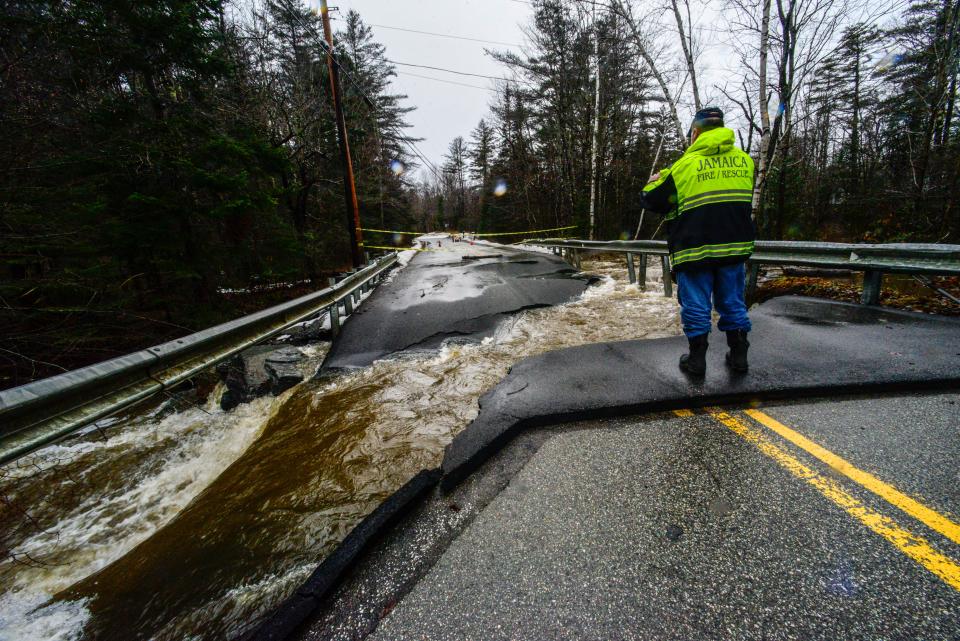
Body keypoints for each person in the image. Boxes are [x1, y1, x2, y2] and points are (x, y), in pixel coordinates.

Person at [640, 107, 755, 376]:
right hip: (733, 248)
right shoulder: (745, 162)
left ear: (695, 133)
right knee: (733, 303)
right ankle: (739, 358)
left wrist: (653, 181)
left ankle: (697, 361)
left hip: (694, 250)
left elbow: (649, 199)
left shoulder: (681, 168)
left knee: (696, 305)